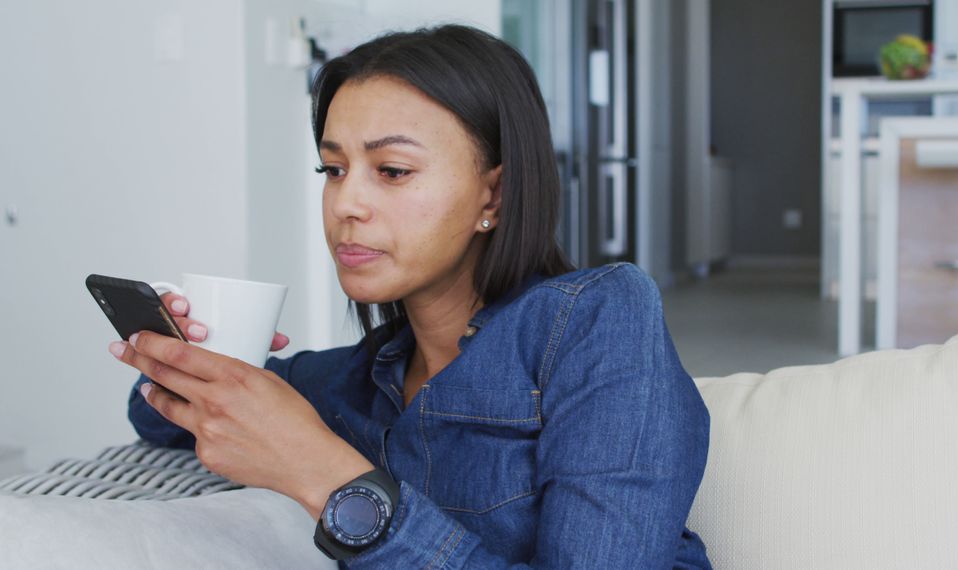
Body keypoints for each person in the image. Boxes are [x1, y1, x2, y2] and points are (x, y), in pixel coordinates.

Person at [110, 24, 711, 568]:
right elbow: (154, 418)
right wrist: (200, 352)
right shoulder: (356, 381)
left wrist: (324, 474)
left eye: (393, 170)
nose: (346, 204)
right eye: (333, 170)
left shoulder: (595, 319)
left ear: (494, 196)